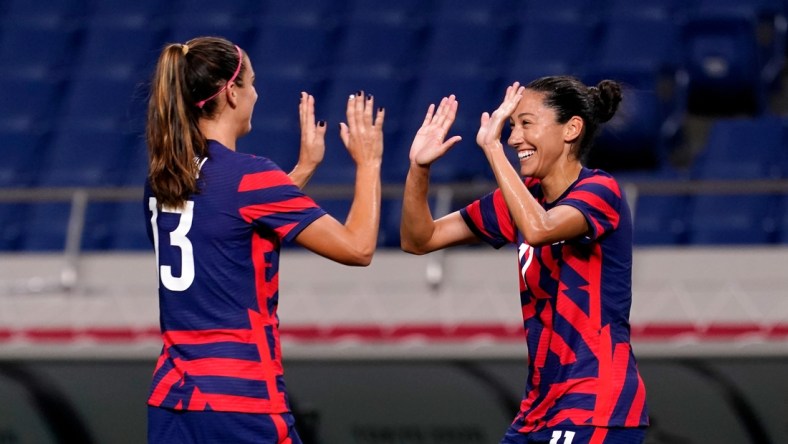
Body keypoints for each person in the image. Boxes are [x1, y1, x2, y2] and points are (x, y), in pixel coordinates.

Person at [143, 36, 384, 444]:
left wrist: (303, 170)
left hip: (172, 400)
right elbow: (357, 248)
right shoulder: (250, 175)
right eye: (252, 83)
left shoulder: (162, 178)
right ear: (232, 93)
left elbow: (230, 224)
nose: (257, 93)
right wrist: (369, 163)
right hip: (240, 397)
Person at [401, 77, 648, 443]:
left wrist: (493, 150)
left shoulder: (600, 191)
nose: (514, 138)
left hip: (595, 402)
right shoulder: (519, 200)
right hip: (538, 409)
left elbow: (539, 228)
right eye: (512, 126)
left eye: (526, 123)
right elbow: (419, 239)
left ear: (571, 129)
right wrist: (419, 169)